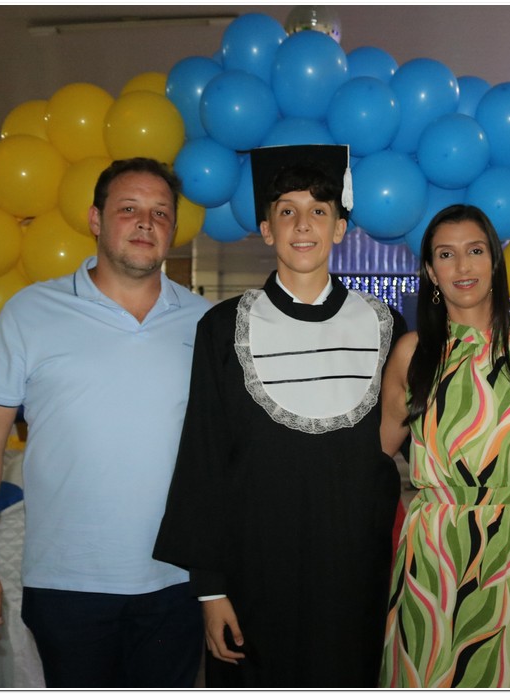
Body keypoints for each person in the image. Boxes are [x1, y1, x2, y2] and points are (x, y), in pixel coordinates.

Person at [0, 158, 210, 687]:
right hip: (67, 582)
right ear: (95, 219)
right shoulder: (30, 312)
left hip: (179, 581)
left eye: (161, 213)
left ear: (174, 230)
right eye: (129, 208)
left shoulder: (206, 321)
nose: (146, 222)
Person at [153, 144, 404, 687]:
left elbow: (419, 441)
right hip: (252, 579)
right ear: (267, 230)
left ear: (340, 228)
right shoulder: (224, 328)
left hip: (355, 579)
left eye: (319, 210)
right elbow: (203, 457)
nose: (303, 224)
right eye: (287, 211)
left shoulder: (387, 326)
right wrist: (211, 590)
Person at [379, 204, 510, 687]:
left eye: (475, 251)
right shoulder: (412, 353)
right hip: (436, 557)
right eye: (446, 254)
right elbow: (372, 455)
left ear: (495, 262)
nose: (463, 266)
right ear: (431, 272)